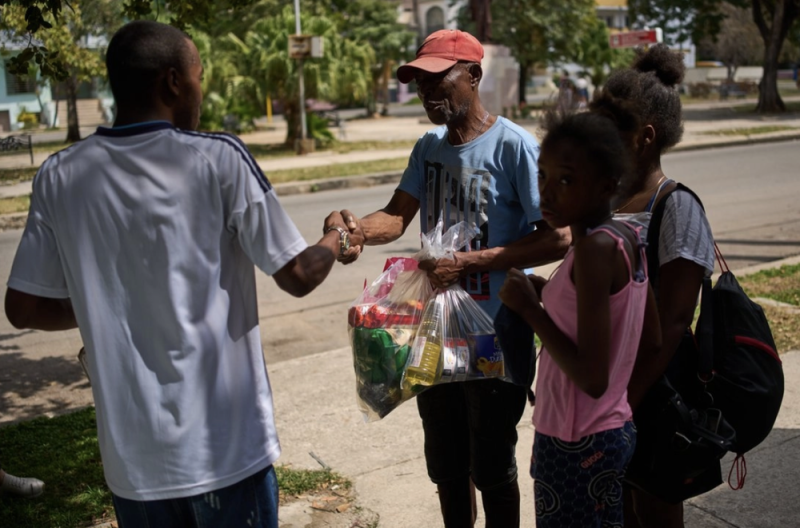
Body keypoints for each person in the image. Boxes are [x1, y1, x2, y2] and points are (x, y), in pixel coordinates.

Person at [4, 20, 358, 528]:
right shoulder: (217, 158)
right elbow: (298, 274)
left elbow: (25, 307)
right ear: (173, 82)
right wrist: (336, 237)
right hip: (226, 455)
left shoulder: (60, 176)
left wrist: (101, 305)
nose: (199, 90)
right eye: (198, 77)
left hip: (134, 467)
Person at [335, 29, 569, 527]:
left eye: (438, 79)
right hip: (434, 332)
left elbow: (557, 237)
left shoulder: (514, 148)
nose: (426, 92)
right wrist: (357, 232)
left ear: (474, 76)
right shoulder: (429, 149)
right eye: (419, 82)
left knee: (491, 463)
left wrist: (470, 262)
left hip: (496, 330)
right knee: (445, 462)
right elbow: (397, 217)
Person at [498, 105, 661, 528]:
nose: (548, 193)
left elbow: (591, 377)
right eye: (543, 176)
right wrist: (546, 294)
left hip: (574, 439)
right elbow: (650, 337)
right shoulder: (626, 236)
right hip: (613, 428)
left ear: (606, 185)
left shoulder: (592, 251)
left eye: (566, 180)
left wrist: (532, 312)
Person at [591, 44, 717, 528]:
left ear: (644, 137)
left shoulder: (677, 207)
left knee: (656, 503)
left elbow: (675, 319)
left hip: (654, 388)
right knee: (617, 503)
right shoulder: (606, 204)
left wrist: (627, 400)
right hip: (607, 387)